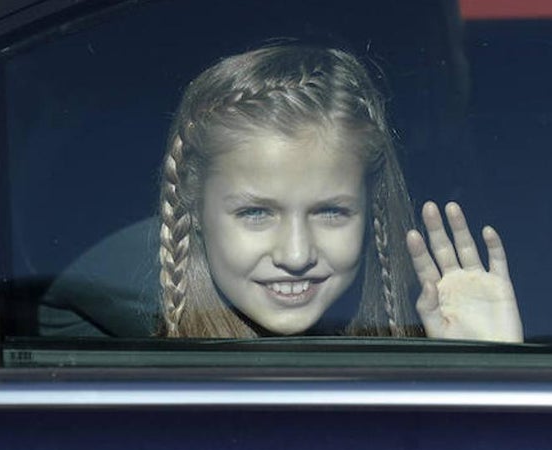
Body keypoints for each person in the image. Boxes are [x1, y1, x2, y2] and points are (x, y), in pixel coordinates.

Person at [156, 44, 523, 341]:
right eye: (256, 213)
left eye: (331, 212)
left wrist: (488, 365)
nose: (297, 254)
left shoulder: (412, 364)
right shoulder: (137, 387)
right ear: (195, 205)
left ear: (370, 209)